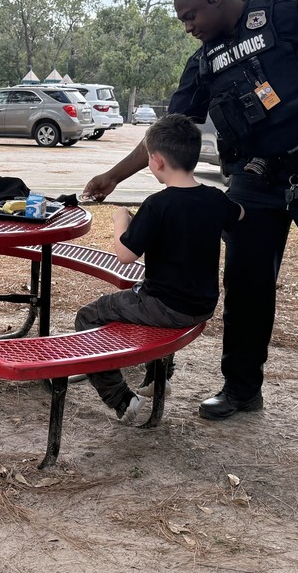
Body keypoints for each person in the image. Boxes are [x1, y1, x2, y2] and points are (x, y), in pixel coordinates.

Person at [84, 0, 298, 451]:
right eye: (182, 21)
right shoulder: (204, 63)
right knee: (246, 288)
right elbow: (166, 132)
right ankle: (242, 390)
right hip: (256, 180)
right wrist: (114, 177)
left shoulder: (284, 15)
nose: (188, 26)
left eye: (191, 15)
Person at [76, 114, 243, 425]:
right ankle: (159, 376)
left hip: (165, 306)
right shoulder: (214, 198)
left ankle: (121, 398)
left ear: (156, 161)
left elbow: (125, 255)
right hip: (201, 304)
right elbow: (239, 214)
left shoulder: (157, 205)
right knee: (139, 296)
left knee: (89, 315)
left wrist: (120, 220)